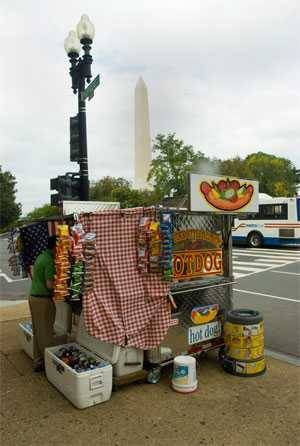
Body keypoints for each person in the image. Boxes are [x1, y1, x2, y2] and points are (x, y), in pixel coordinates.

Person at [29, 235, 66, 371]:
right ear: (55, 247)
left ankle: (38, 362)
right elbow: (50, 285)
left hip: (34, 298)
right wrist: (63, 284)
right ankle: (49, 365)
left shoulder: (41, 256)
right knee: (46, 334)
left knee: (38, 332)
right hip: (42, 300)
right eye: (60, 247)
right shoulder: (50, 261)